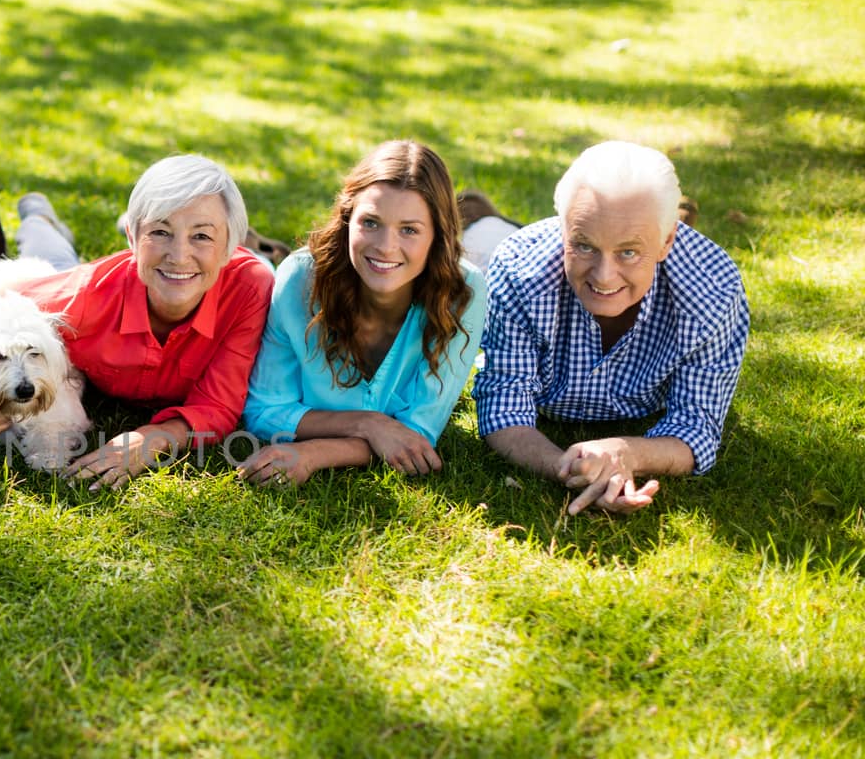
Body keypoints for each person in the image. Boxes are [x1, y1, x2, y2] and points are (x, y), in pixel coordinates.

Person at [0, 154, 275, 490]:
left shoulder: (248, 288)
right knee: (42, 261)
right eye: (160, 232)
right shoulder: (83, 296)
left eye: (202, 235)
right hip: (62, 279)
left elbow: (218, 405)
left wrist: (151, 438)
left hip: (70, 277)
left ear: (230, 246)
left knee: (56, 255)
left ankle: (39, 217)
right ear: (132, 238)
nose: (179, 256)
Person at [472, 140, 750, 515]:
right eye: (583, 245)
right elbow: (503, 407)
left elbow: (697, 426)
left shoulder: (714, 289)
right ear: (563, 231)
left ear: (668, 240)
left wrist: (625, 452)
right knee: (473, 244)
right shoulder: (518, 267)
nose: (604, 276)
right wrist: (573, 470)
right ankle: (479, 215)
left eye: (628, 251)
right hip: (497, 251)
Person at [239, 140, 486, 484]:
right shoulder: (299, 279)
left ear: (437, 236)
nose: (385, 246)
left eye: (409, 230)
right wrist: (369, 424)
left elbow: (417, 434)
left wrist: (313, 454)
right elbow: (263, 409)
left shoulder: (463, 292)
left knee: (493, 243)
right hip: (296, 270)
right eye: (370, 222)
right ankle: (260, 248)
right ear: (347, 219)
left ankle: (483, 218)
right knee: (258, 269)